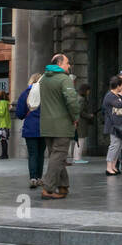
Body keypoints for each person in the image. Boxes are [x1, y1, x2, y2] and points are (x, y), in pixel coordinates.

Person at [38, 54, 81, 199]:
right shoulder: (64, 79)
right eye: (67, 63)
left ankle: (63, 186)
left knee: (56, 156)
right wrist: (75, 117)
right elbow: (72, 101)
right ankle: (48, 189)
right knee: (58, 156)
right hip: (62, 125)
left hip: (46, 125)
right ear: (59, 63)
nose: (69, 66)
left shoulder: (43, 79)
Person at [12, 73, 44, 188]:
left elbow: (20, 113)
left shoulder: (25, 94)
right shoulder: (45, 94)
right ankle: (39, 177)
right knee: (41, 154)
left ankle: (33, 178)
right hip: (44, 127)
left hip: (30, 128)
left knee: (32, 154)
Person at [101, 75, 122, 176]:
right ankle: (109, 167)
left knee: (119, 146)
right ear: (117, 86)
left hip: (120, 124)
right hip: (113, 125)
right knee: (114, 145)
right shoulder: (110, 96)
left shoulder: (116, 95)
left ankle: (113, 165)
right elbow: (120, 105)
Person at [72, 84, 95, 163]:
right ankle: (77, 158)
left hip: (79, 122)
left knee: (78, 140)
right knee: (80, 140)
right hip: (81, 123)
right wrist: (89, 116)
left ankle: (76, 157)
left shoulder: (78, 98)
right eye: (88, 90)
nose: (89, 92)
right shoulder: (81, 99)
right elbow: (80, 112)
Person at [0, 90, 11, 159]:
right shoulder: (6, 103)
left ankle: (4, 155)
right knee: (3, 140)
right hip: (5, 124)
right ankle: (4, 154)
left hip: (2, 124)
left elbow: (1, 113)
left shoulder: (2, 102)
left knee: (2, 140)